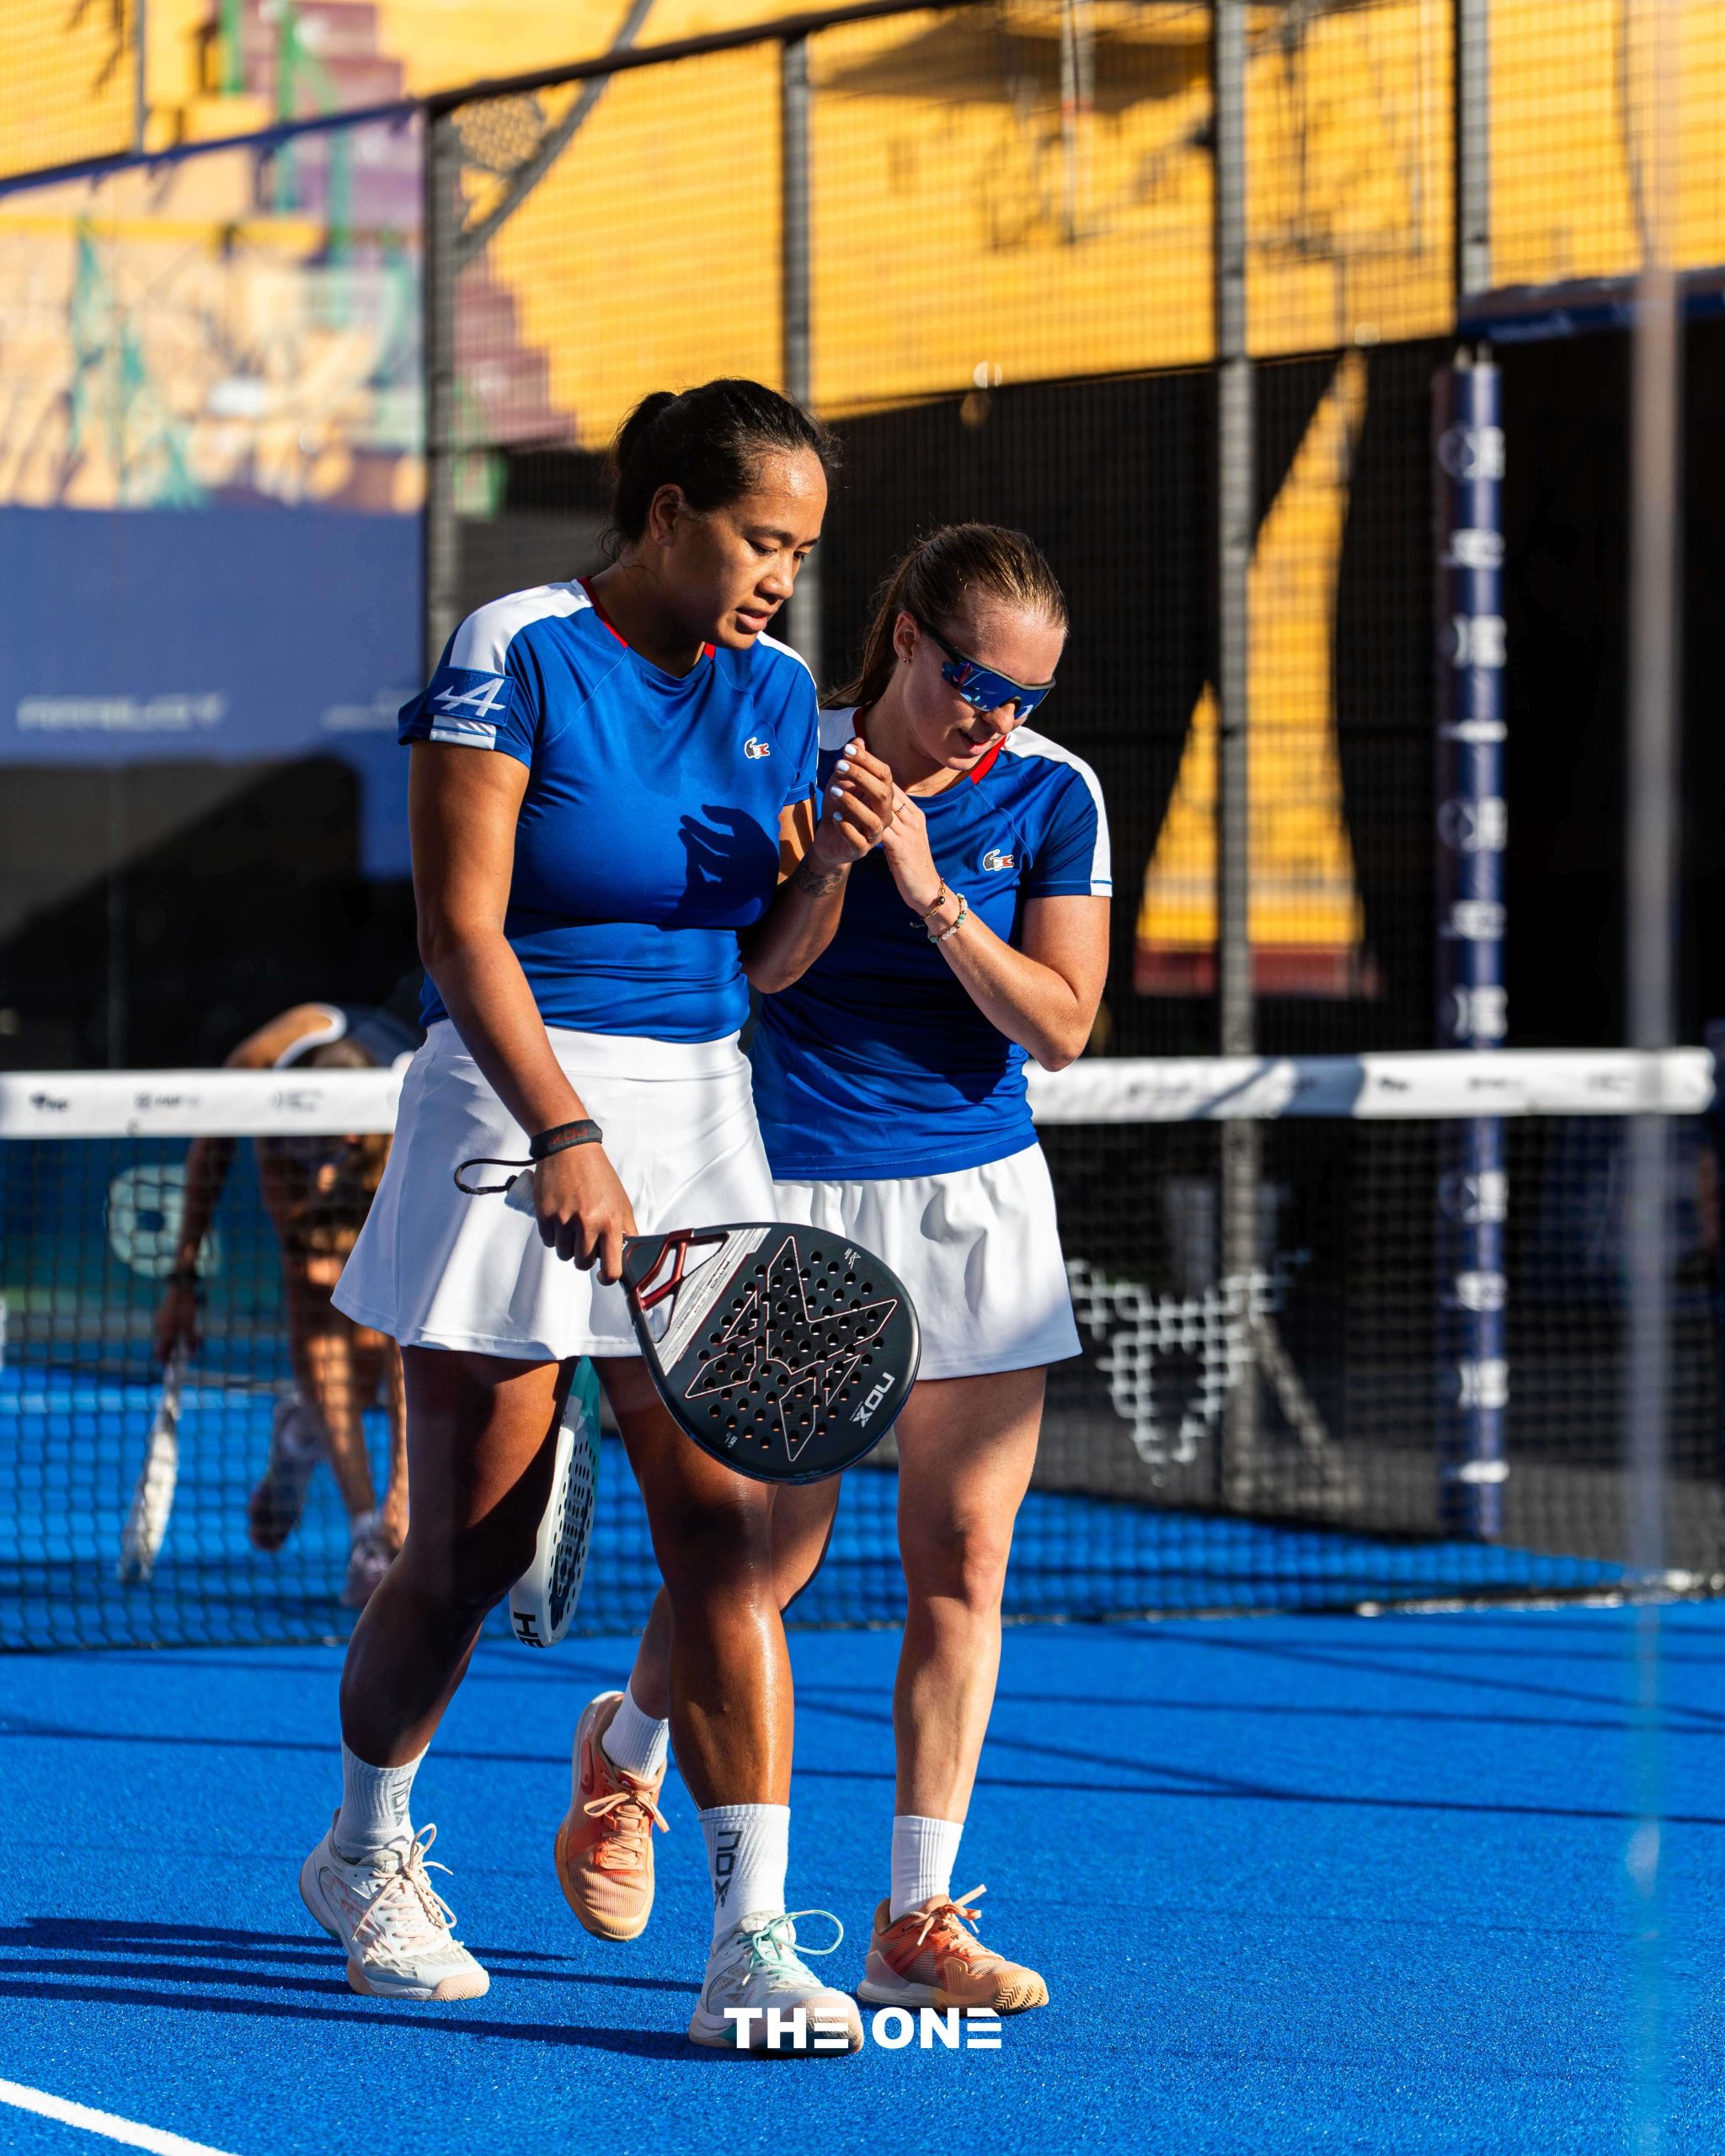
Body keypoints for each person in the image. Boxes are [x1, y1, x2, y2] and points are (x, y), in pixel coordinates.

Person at [299, 379, 898, 2046]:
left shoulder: (774, 694)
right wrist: (564, 1128)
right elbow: (458, 930)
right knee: (471, 1552)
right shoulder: (515, 649)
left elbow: (762, 965)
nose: (783, 575)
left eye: (803, 551)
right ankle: (362, 1851)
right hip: (510, 1104)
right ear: (667, 514)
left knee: (732, 1535)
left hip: (701, 1117)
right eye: (762, 538)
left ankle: (752, 1939)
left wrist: (825, 873)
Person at [609, 523, 1109, 2015]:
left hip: (981, 1211)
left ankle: (915, 1917)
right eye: (973, 683)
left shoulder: (1053, 792)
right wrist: (836, 855)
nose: (992, 719)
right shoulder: (783, 749)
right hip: (797, 1196)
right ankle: (625, 1759)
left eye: (1023, 696)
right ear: (903, 638)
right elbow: (760, 971)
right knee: (763, 1560)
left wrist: (928, 884)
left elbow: (1060, 1025)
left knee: (963, 1563)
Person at [154, 998, 419, 1607]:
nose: (323, 1178)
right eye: (311, 1154)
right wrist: (182, 1282)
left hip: (386, 1151)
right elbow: (211, 1157)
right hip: (298, 1145)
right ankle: (367, 1538)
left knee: (391, 1334)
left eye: (334, 1155)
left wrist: (403, 1504)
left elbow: (407, 1338)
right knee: (313, 1295)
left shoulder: (409, 1104)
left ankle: (314, 1444)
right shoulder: (255, 1071)